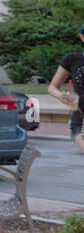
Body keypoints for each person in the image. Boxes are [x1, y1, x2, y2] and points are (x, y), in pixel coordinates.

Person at [48, 25, 84, 155]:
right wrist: (60, 95)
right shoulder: (72, 59)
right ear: (82, 37)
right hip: (80, 119)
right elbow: (52, 87)